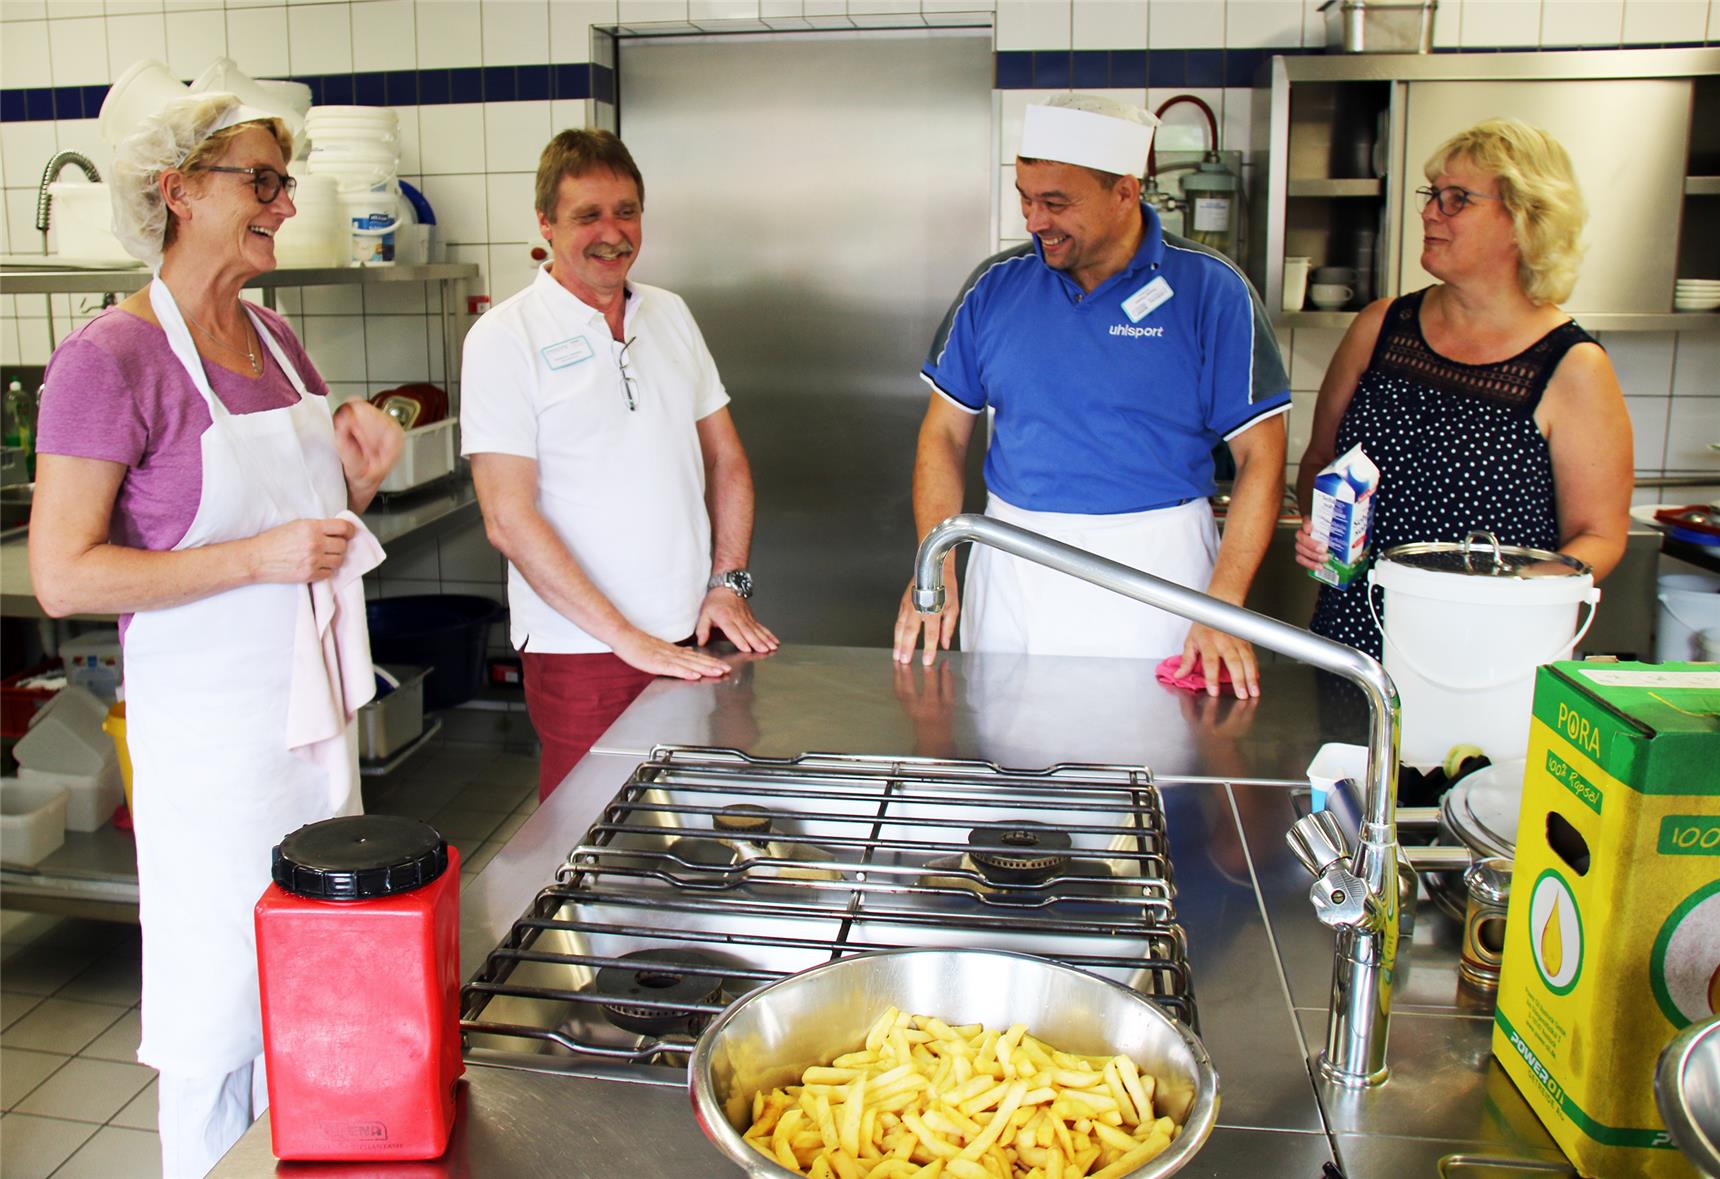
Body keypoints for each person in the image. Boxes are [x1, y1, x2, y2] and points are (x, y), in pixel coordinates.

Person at [27, 93, 403, 1178]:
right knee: (216, 1013)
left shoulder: (277, 340)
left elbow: (307, 541)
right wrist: (258, 558)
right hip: (209, 749)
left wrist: (360, 490)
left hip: (309, 734)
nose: (284, 205)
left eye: (283, 181)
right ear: (176, 190)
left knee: (313, 986)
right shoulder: (110, 357)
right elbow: (62, 575)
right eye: (262, 181)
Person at [892, 94, 1290, 698]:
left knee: (1147, 765)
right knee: (1009, 760)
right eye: (1026, 198)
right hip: (1012, 560)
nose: (1034, 221)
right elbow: (944, 434)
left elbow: (1262, 454)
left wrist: (1222, 606)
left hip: (1156, 571)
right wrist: (938, 563)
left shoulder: (1212, 290)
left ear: (1125, 192)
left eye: (1057, 202)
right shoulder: (995, 286)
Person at [461, 129, 777, 801]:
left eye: (626, 211)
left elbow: (726, 460)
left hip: (694, 631)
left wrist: (729, 582)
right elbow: (507, 518)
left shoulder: (671, 314)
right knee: (592, 842)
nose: (613, 232)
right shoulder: (504, 338)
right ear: (545, 223)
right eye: (588, 215)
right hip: (581, 651)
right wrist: (626, 639)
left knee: (697, 825)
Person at [1293, 119, 1632, 658]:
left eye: (1457, 199)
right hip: (1356, 632)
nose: (1429, 212)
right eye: (1432, 194)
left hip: (1486, 648)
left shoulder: (1572, 366)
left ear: (1525, 220)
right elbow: (1319, 460)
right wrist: (1320, 526)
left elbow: (1600, 534)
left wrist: (1504, 598)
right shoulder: (1381, 328)